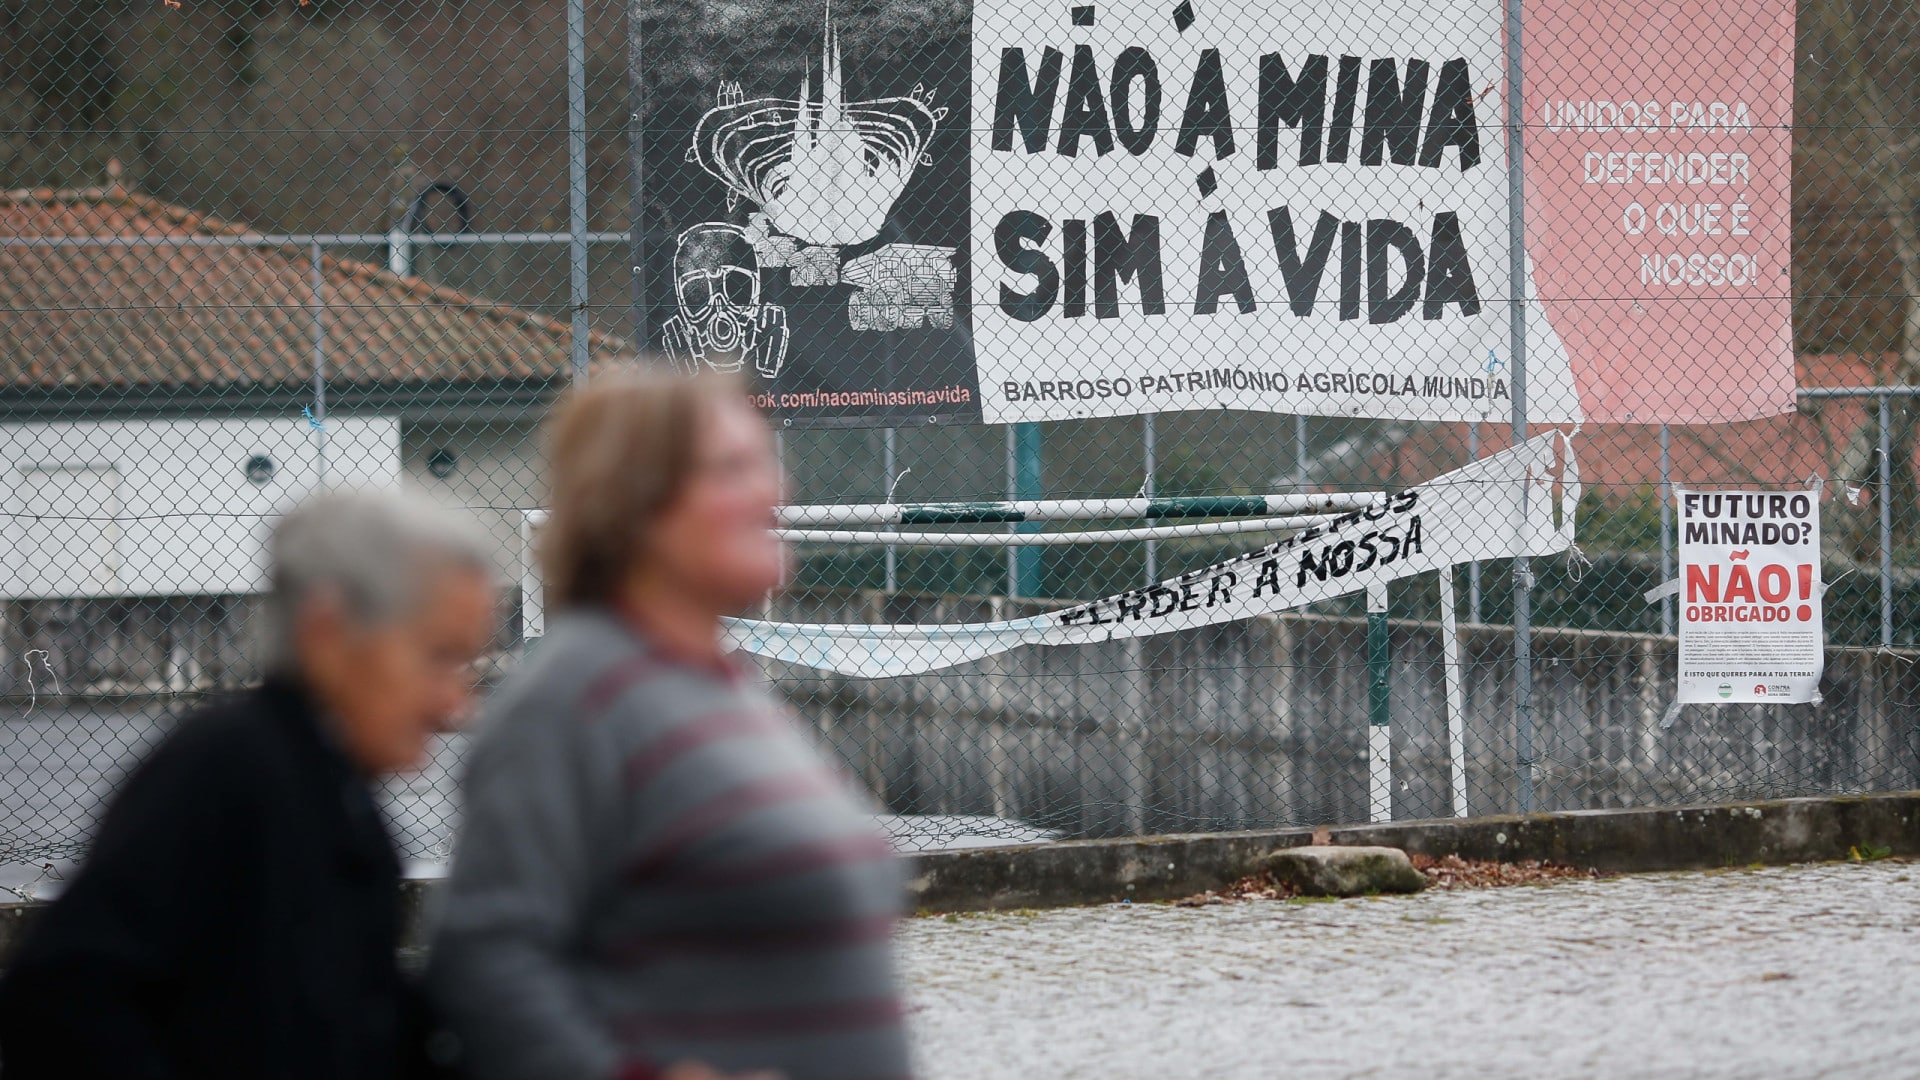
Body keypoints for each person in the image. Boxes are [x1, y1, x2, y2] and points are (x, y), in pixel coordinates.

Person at [428, 371, 914, 1080]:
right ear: (631, 505)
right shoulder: (573, 698)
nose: (775, 493)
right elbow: (486, 960)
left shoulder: (722, 687)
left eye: (767, 463)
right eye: (733, 470)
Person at [0, 492, 497, 1080]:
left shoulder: (332, 789)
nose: (457, 707)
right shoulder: (225, 773)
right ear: (326, 632)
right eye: (439, 657)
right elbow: (62, 999)